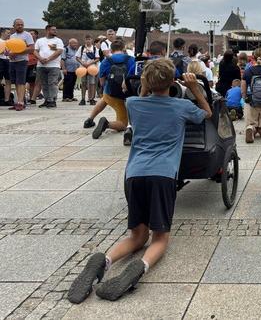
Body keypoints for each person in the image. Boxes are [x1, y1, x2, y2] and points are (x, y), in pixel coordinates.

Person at [67, 60, 211, 304]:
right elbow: (206, 114)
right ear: (172, 81)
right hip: (162, 175)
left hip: (134, 173)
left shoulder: (133, 103)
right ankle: (139, 268)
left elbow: (140, 99)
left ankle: (105, 261)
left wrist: (144, 86)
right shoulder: (181, 106)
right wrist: (195, 90)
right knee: (160, 238)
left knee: (137, 235)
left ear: (145, 82)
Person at [90, 40, 136, 139]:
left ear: (111, 49)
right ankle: (107, 124)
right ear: (124, 48)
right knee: (123, 124)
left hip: (111, 94)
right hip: (127, 94)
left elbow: (102, 82)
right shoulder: (132, 59)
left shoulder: (106, 61)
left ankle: (90, 119)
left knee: (105, 98)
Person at [7, 19, 35, 111]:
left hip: (22, 61)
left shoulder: (27, 35)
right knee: (15, 82)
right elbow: (11, 48)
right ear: (13, 26)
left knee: (21, 82)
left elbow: (31, 49)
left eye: (22, 24)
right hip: (12, 61)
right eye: (18, 24)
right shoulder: (12, 36)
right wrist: (9, 54)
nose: (20, 26)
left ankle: (21, 103)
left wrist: (17, 53)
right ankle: (17, 102)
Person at [34, 24, 65, 109]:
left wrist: (48, 59)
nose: (55, 31)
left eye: (55, 30)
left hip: (54, 65)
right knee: (44, 84)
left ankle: (52, 100)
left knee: (52, 83)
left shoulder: (58, 40)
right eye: (53, 30)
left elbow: (59, 51)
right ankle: (47, 100)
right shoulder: (40, 40)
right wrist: (40, 58)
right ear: (47, 30)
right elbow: (35, 51)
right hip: (41, 65)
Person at [76, 35, 100, 106]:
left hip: (92, 67)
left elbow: (97, 58)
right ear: (85, 40)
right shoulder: (81, 47)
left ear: (91, 40)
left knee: (92, 83)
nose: (88, 41)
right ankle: (83, 99)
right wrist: (82, 62)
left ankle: (91, 98)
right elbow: (77, 57)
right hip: (83, 67)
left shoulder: (95, 48)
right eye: (86, 39)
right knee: (83, 83)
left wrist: (90, 63)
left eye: (89, 39)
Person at [0, 27, 12, 106]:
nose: (9, 34)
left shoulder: (11, 42)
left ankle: (7, 99)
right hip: (0, 60)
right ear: (2, 33)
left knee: (8, 81)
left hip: (8, 61)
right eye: (8, 33)